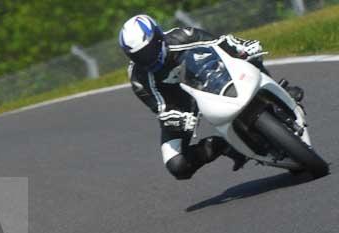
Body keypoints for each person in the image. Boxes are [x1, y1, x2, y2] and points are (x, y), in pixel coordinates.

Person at [119, 14, 304, 180]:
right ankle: (223, 146)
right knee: (177, 165)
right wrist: (174, 117)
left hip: (206, 77)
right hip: (179, 106)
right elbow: (159, 106)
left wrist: (242, 46)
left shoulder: (183, 36)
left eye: (149, 51)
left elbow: (220, 43)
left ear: (159, 37)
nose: (147, 59)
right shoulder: (138, 77)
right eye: (140, 56)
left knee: (250, 57)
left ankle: (278, 93)